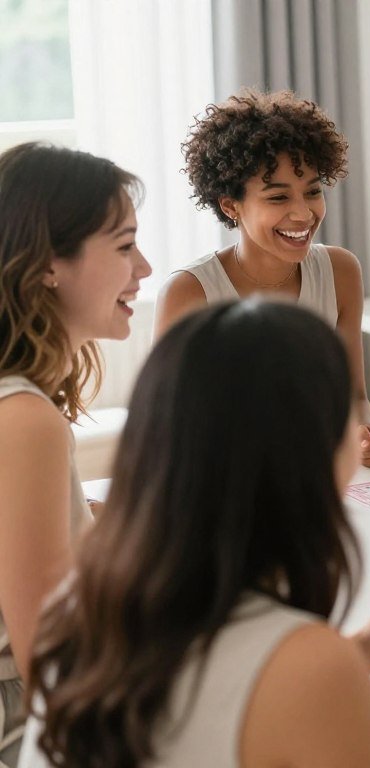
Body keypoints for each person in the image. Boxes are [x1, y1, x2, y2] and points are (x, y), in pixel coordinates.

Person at [21, 300, 370, 767]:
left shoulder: (77, 609)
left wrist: (364, 650)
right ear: (311, 457)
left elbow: (213, 701)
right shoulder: (310, 667)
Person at [0, 142, 151, 766]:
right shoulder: (25, 419)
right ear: (48, 266)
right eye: (123, 246)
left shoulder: (20, 402)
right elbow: (48, 664)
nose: (143, 268)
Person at [156, 88, 370, 468]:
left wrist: (366, 436)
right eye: (278, 198)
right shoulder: (189, 293)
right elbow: (170, 429)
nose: (303, 215)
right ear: (231, 205)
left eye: (313, 192)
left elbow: (351, 397)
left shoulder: (341, 271)